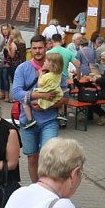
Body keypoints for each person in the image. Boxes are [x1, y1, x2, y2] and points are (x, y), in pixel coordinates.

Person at [11, 36, 68, 181]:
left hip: (49, 120)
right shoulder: (23, 68)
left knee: (49, 155)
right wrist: (38, 95)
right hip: (27, 121)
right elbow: (16, 92)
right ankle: (36, 187)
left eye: (40, 48)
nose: (37, 51)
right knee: (32, 157)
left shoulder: (57, 70)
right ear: (31, 49)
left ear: (46, 48)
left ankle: (48, 187)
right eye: (34, 48)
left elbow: (65, 97)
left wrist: (48, 104)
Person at [22, 52, 64, 130]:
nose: (44, 62)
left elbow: (40, 84)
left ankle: (30, 119)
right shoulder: (59, 74)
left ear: (51, 64)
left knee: (26, 101)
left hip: (44, 94)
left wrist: (40, 74)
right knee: (59, 102)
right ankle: (61, 114)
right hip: (57, 94)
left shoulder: (47, 76)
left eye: (46, 61)